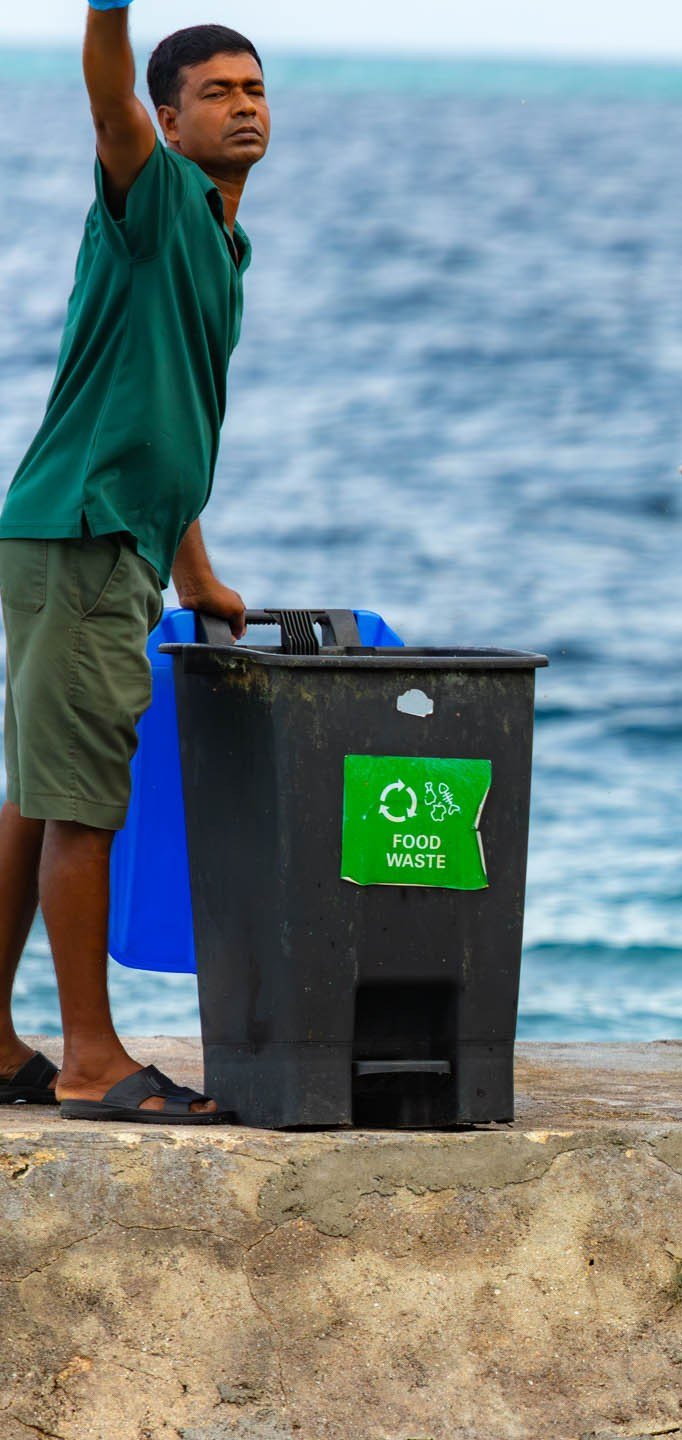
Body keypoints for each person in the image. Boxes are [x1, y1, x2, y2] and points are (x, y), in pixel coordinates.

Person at [0, 6, 261, 1124]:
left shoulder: (220, 237)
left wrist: (193, 568)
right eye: (217, 91)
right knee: (80, 803)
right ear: (165, 118)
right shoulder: (150, 194)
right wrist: (111, 11)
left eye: (255, 89)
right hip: (84, 536)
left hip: (104, 533)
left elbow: (168, 418)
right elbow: (107, 92)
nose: (245, 104)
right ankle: (92, 1061)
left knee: (36, 790)